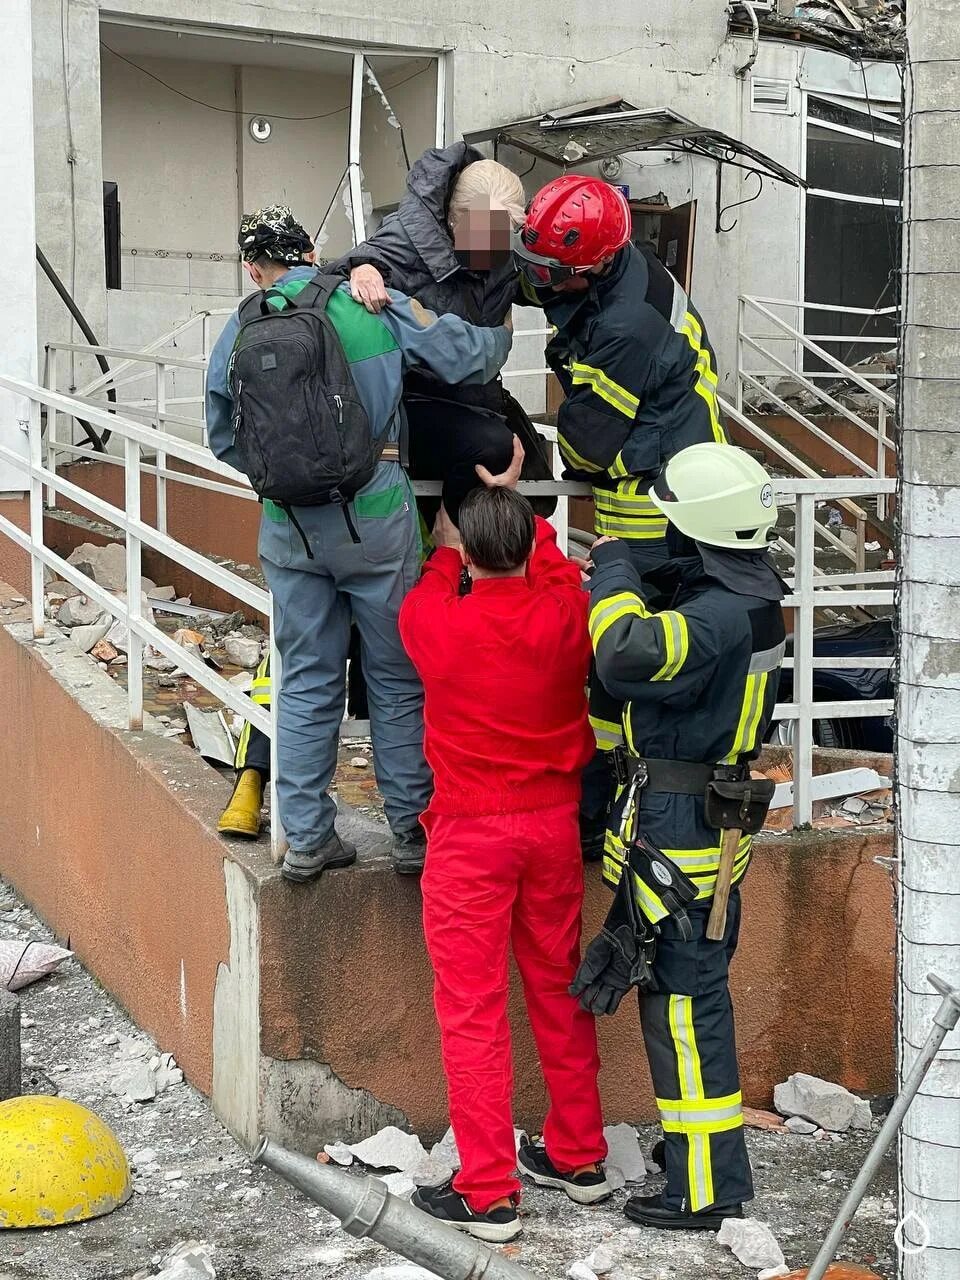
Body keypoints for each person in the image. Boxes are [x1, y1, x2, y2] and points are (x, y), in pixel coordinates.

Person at [220, 145, 552, 842]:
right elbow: (467, 356)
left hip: (290, 527)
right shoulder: (369, 305)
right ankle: (409, 834)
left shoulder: (244, 326)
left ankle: (307, 842)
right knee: (397, 681)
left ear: (254, 268)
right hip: (374, 519)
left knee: (307, 680)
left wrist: (286, 478)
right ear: (317, 250)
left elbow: (224, 437)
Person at [570, 443, 785, 1231]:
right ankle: (703, 1159)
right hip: (705, 824)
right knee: (692, 999)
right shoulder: (754, 597)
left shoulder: (718, 617)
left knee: (685, 1012)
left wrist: (617, 575)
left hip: (681, 829)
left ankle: (704, 1188)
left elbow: (627, 656)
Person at [398, 451, 610, 1243]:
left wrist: (452, 538)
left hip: (468, 835)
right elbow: (554, 567)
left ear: (466, 555)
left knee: (473, 1009)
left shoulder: (436, 622)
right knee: (557, 986)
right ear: (525, 545)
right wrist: (522, 510)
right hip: (552, 827)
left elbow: (428, 581)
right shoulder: (565, 614)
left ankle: (488, 1190)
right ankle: (579, 1155)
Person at [514, 174, 729, 861]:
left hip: (656, 511)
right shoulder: (617, 273)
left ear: (599, 261)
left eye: (557, 271)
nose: (544, 281)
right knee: (618, 671)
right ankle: (606, 807)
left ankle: (602, 817)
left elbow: (585, 445)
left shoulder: (627, 325)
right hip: (670, 487)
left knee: (618, 664)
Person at [336, 141, 555, 524]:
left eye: (503, 236)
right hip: (415, 401)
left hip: (476, 397)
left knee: (533, 481)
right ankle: (448, 534)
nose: (494, 250)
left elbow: (544, 280)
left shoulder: (501, 244)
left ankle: (465, 544)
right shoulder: (406, 238)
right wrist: (360, 267)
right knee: (491, 450)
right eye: (485, 234)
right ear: (454, 219)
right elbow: (336, 275)